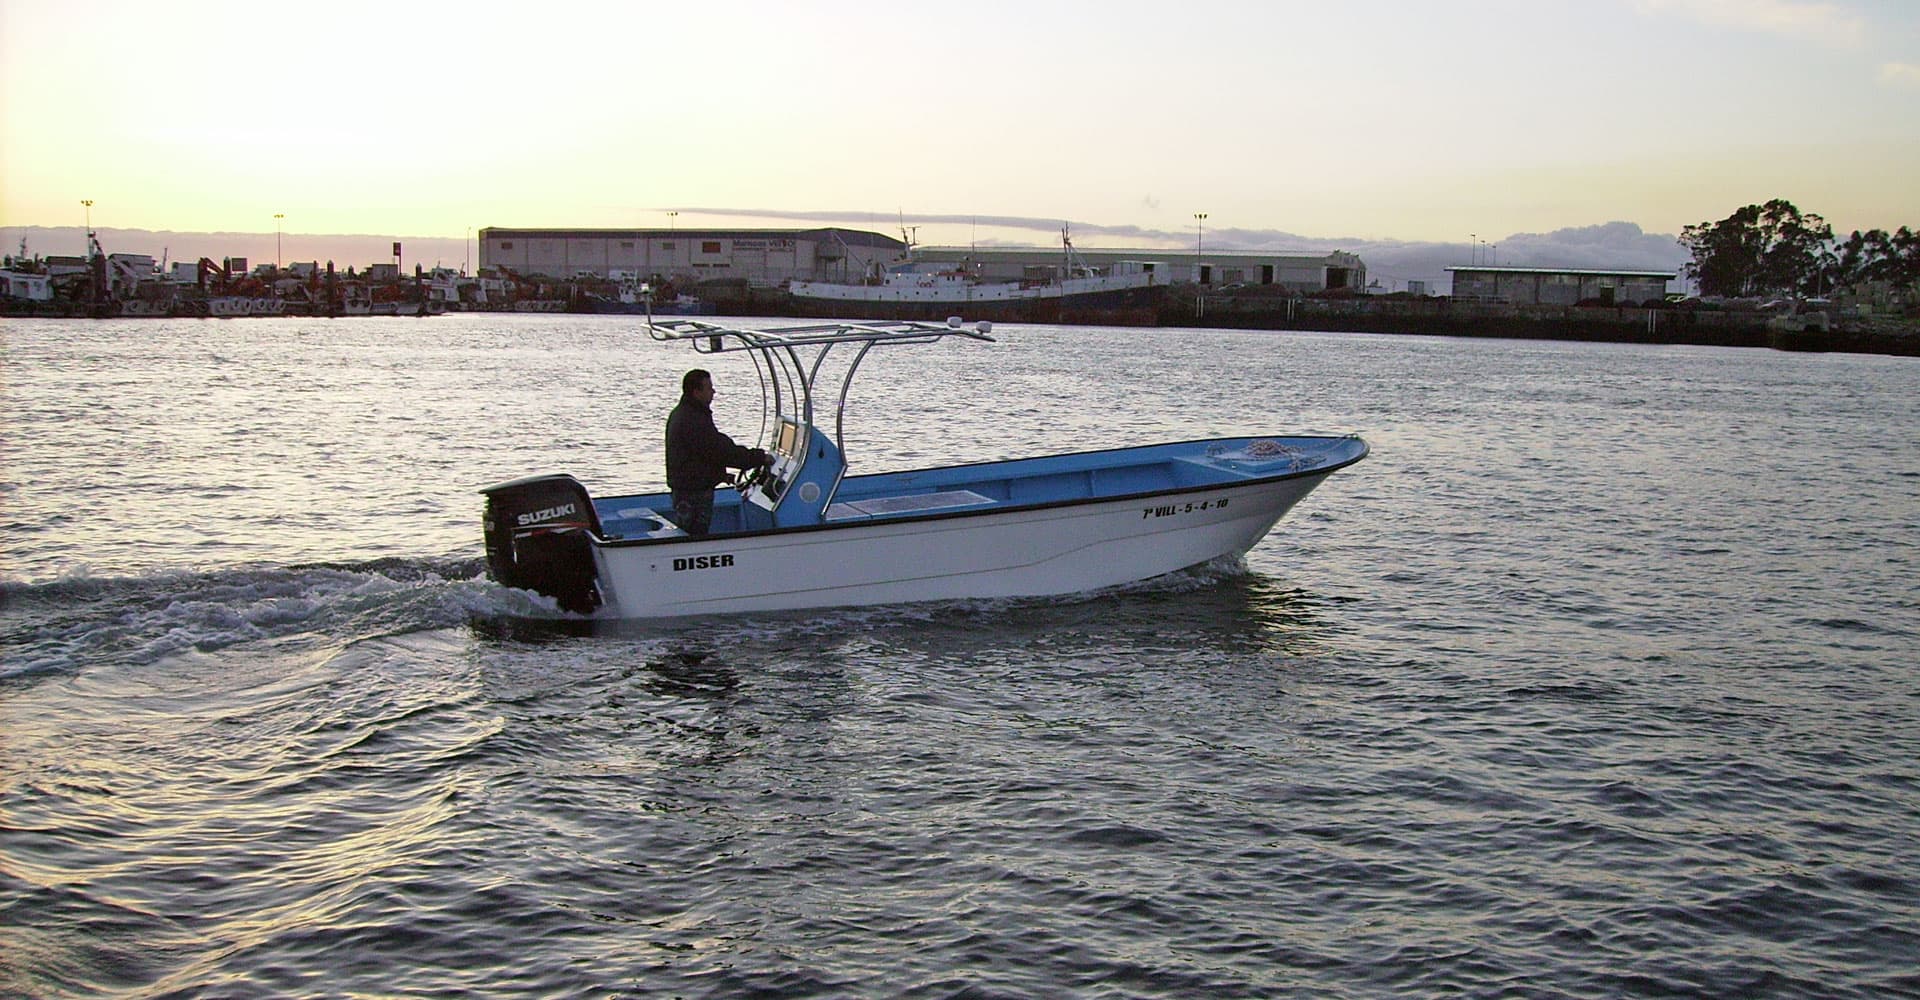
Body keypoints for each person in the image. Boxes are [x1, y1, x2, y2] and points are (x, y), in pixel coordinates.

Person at [665, 368, 769, 536]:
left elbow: (701, 455)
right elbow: (721, 451)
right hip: (693, 493)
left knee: (690, 531)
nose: (713, 392)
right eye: (709, 388)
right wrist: (759, 458)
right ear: (697, 392)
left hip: (688, 488)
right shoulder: (693, 420)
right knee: (695, 535)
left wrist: (719, 475)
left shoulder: (687, 414)